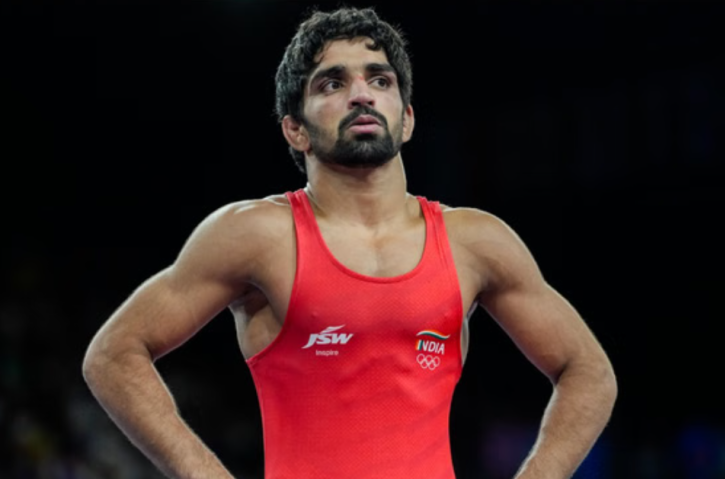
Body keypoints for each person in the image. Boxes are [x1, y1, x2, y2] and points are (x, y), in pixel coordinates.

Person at [82, 7, 617, 479]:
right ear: (295, 129)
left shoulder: (475, 242)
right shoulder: (257, 235)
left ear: (406, 120)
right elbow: (113, 355)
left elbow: (590, 373)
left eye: (379, 80)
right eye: (332, 84)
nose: (361, 95)